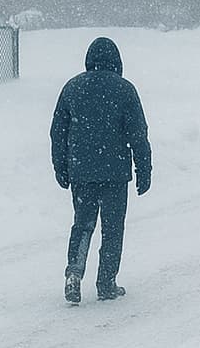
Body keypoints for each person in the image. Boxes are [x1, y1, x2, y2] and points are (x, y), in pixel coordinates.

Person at [51, 36, 151, 304]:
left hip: (81, 172)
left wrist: (61, 167)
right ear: (116, 61)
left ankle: (74, 273)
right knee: (112, 228)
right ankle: (106, 282)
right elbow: (138, 134)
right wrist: (144, 169)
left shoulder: (72, 88)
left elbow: (58, 132)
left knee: (83, 225)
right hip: (115, 173)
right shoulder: (125, 90)